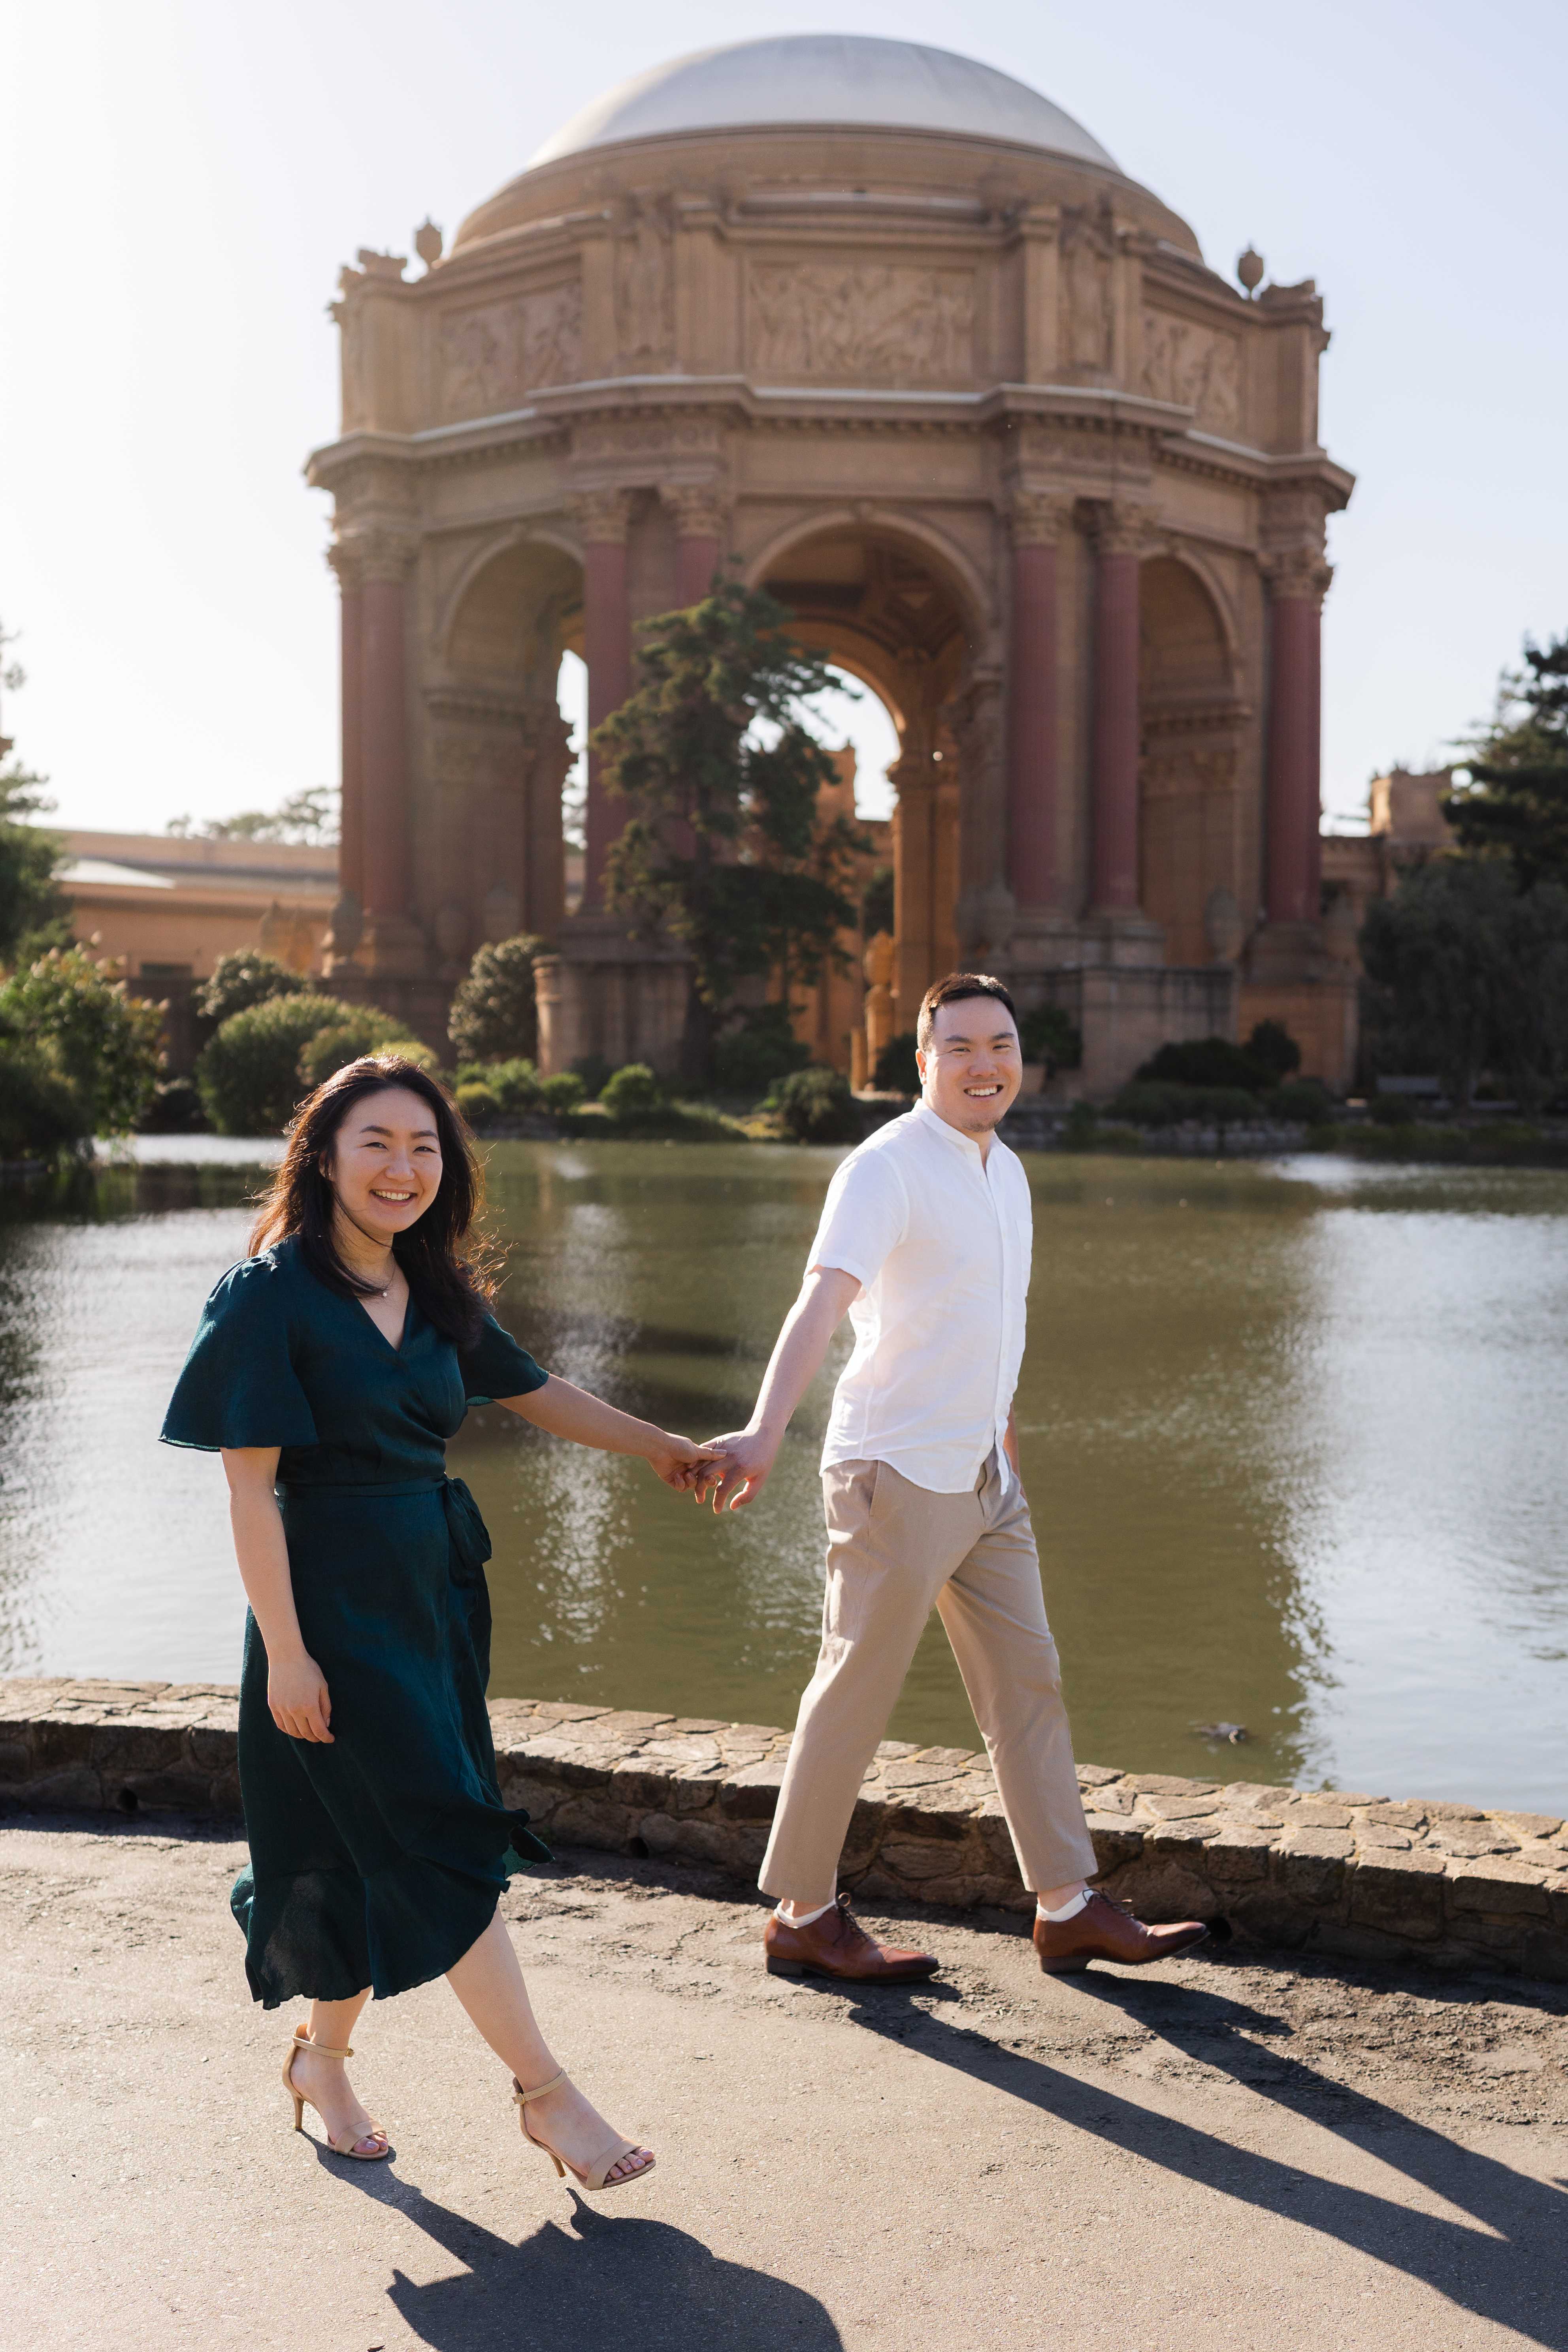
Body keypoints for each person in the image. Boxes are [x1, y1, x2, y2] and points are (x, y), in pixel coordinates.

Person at [161, 1055, 722, 2188]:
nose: (401, 1168)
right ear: (324, 1154)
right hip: (327, 1612)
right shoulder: (268, 1296)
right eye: (375, 1142)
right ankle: (549, 2098)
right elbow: (248, 1488)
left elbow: (536, 1390)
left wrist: (665, 1446)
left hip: (432, 1598)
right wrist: (287, 1652)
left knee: (359, 1852)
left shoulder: (438, 1291)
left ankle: (322, 2062)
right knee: (439, 1833)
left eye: (423, 1148)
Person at [700, 974, 1209, 1983]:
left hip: (982, 1473)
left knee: (1027, 1681)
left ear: (1024, 1059)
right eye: (962, 1047)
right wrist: (764, 1432)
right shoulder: (885, 1167)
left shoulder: (1005, 1169)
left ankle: (1065, 1905)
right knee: (855, 1689)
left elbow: (988, 1320)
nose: (985, 1065)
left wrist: (1003, 1436)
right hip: (893, 1470)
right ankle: (801, 1914)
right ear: (922, 1061)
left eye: (1002, 1046)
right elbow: (821, 1305)